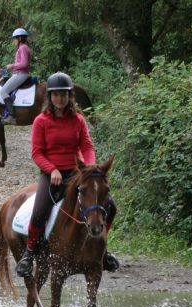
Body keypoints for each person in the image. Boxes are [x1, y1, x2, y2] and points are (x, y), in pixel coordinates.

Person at [15, 71, 120, 277]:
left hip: (77, 173)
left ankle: (103, 251)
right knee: (39, 211)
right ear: (50, 97)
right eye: (56, 95)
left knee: (111, 207)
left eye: (64, 95)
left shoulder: (78, 120)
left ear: (69, 96)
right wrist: (51, 169)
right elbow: (37, 153)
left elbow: (87, 146)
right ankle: (29, 252)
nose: (60, 99)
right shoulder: (40, 121)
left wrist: (89, 169)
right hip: (51, 173)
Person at [0, 28, 31, 125]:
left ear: (20, 38)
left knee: (3, 91)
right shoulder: (22, 47)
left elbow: (24, 64)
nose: (13, 41)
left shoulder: (23, 48)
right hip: (18, 73)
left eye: (14, 39)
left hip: (21, 74)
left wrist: (12, 66)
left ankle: (12, 116)